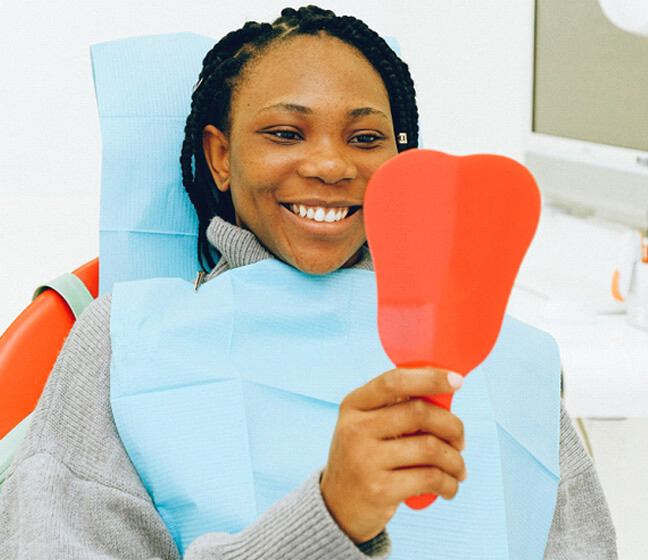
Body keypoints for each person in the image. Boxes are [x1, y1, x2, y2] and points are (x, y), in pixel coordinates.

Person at [0, 6, 616, 559]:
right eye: (285, 133)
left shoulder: (515, 360)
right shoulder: (119, 342)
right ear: (219, 157)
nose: (329, 164)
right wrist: (331, 518)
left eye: (366, 137)